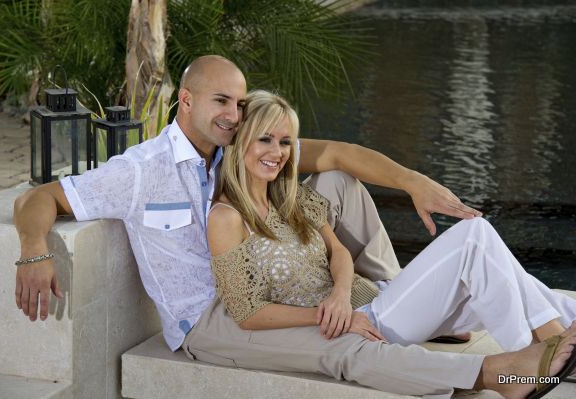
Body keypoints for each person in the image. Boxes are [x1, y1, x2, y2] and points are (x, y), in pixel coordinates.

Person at [11, 55, 573, 398]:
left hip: (276, 282)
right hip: (210, 318)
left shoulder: (241, 149)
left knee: (337, 184)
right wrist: (34, 250)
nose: (233, 112)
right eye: (221, 101)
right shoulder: (140, 172)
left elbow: (341, 155)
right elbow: (41, 197)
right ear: (185, 101)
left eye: (239, 101)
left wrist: (414, 182)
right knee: (343, 348)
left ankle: (543, 338)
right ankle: (513, 369)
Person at [206, 89, 576, 399]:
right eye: (266, 139)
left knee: (510, 280)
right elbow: (247, 313)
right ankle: (539, 352)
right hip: (369, 321)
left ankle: (558, 335)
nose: (279, 152)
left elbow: (338, 252)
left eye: (286, 141)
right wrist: (336, 316)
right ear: (239, 142)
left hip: (375, 298)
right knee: (474, 239)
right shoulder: (226, 217)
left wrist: (340, 292)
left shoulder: (288, 196)